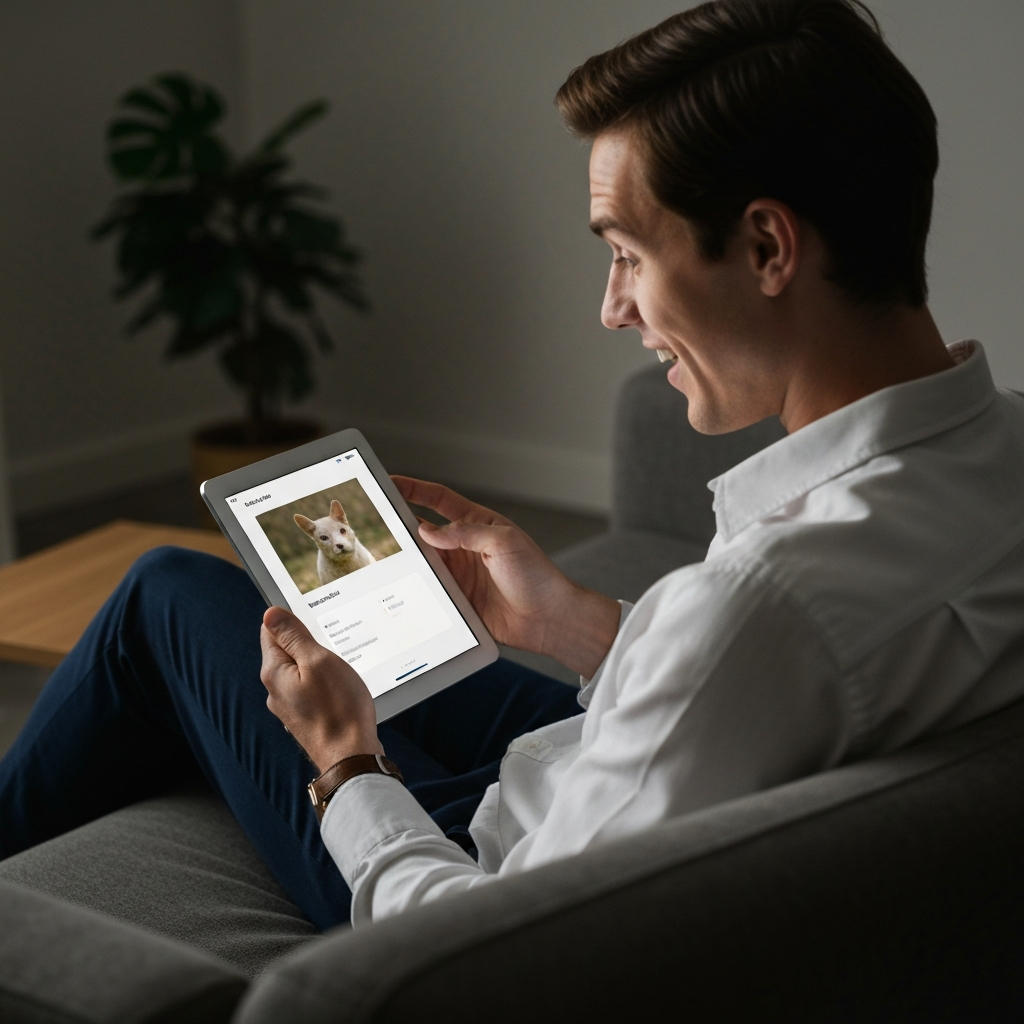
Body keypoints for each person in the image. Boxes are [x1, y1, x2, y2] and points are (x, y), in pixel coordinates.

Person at [3, 0, 1024, 932]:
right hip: (602, 767)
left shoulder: (763, 605)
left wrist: (344, 760)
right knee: (348, 630)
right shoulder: (999, 450)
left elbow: (476, 949)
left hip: (465, 873)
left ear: (765, 247)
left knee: (164, 596)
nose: (612, 306)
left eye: (626, 250)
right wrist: (575, 627)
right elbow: (755, 690)